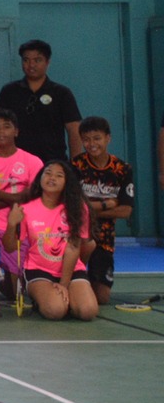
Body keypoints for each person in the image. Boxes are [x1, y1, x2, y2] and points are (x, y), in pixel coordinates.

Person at [6, 161, 96, 322]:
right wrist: (11, 224)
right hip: (38, 269)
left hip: (71, 270)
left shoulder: (78, 208)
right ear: (40, 178)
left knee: (87, 311)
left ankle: (66, 299)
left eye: (59, 175)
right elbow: (10, 246)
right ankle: (45, 299)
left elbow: (74, 247)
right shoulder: (26, 209)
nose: (52, 178)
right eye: (48, 173)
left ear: (67, 183)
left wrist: (64, 283)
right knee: (55, 311)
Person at [0, 107, 42, 290]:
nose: (1, 131)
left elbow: (33, 198)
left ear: (16, 131)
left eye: (6, 127)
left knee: (15, 290)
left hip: (21, 227)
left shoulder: (33, 162)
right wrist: (18, 197)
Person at [71, 116, 134, 306]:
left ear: (108, 138)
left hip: (105, 238)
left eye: (97, 138)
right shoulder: (76, 166)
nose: (92, 144)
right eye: (87, 139)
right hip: (77, 235)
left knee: (102, 299)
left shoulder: (122, 169)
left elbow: (125, 211)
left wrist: (90, 209)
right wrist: (107, 204)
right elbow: (74, 207)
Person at [0, 40, 83, 164]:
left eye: (37, 60)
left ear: (47, 62)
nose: (31, 65)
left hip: (53, 164)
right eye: (26, 60)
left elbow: (74, 131)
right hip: (16, 165)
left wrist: (76, 165)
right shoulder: (9, 91)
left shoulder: (62, 93)